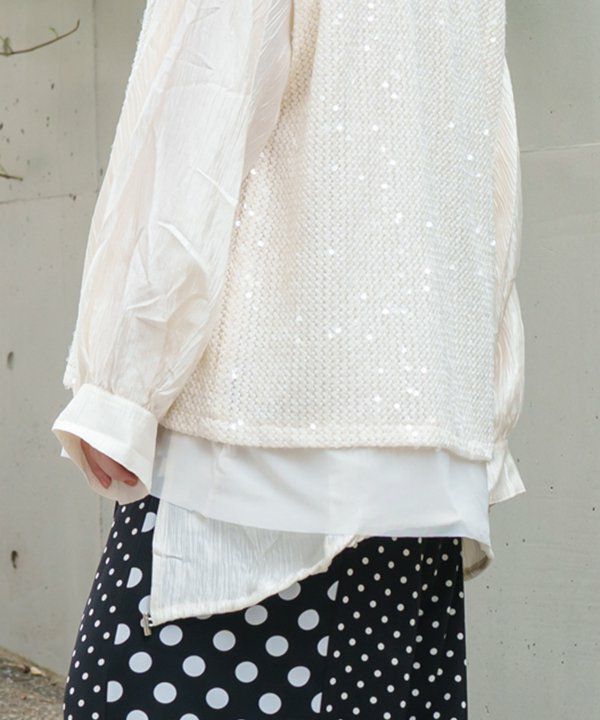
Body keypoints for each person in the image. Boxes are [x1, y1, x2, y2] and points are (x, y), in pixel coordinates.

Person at [52, 1, 526, 718]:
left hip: (249, 464)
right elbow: (488, 188)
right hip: (419, 479)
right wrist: (482, 419)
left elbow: (202, 120)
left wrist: (123, 386)